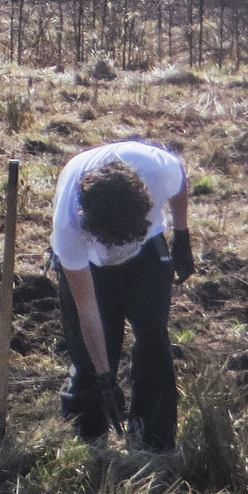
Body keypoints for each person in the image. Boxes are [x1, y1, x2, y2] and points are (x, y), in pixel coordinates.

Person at [51, 140, 194, 450]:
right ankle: (89, 441)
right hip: (90, 263)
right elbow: (88, 311)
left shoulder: (158, 170)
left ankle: (154, 441)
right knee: (90, 359)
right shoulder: (69, 229)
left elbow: (180, 183)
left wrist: (182, 234)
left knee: (153, 338)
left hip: (147, 252)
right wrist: (105, 378)